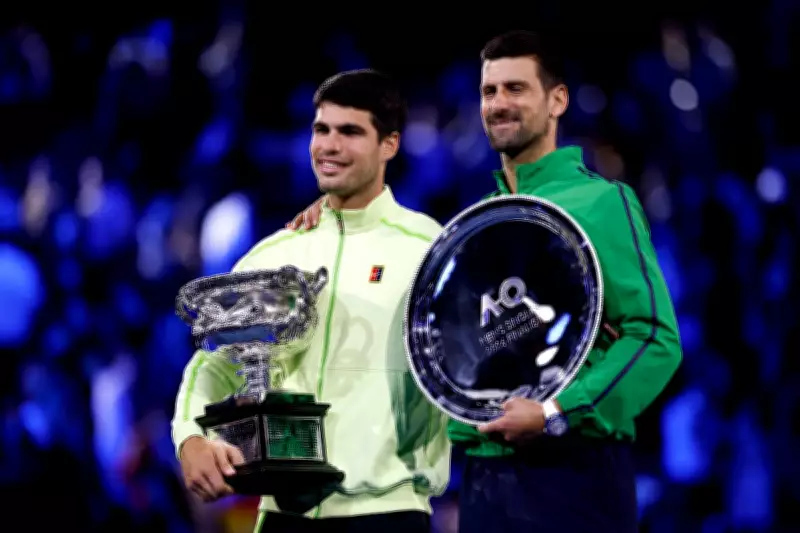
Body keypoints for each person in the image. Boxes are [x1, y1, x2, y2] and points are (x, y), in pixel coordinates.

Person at [285, 31, 683, 533]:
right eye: (489, 91)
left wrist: (556, 411)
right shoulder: (475, 226)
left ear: (557, 100)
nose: (498, 104)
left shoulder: (602, 203)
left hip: (572, 472)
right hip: (483, 483)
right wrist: (336, 216)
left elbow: (654, 338)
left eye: (516, 89)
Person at [172, 69, 450, 533]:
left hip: (389, 515)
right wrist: (190, 437)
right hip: (282, 518)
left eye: (350, 132)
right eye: (321, 130)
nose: (330, 145)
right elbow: (215, 363)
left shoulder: (430, 248)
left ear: (390, 145)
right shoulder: (273, 254)